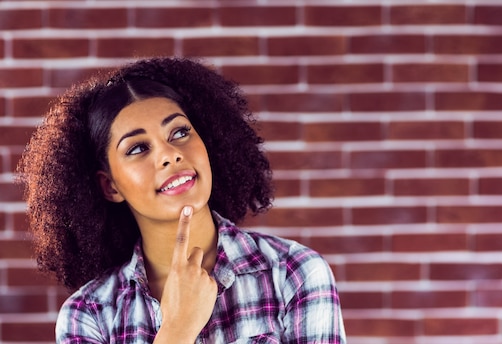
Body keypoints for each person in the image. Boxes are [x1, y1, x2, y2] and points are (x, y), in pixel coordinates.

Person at [16, 57, 346, 343]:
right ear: (110, 186)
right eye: (137, 149)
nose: (170, 155)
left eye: (180, 132)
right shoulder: (88, 315)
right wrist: (177, 329)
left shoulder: (294, 273)